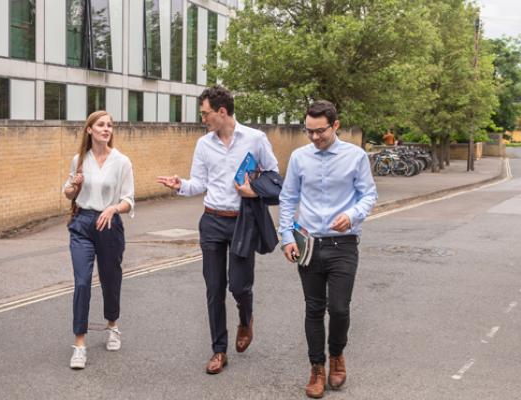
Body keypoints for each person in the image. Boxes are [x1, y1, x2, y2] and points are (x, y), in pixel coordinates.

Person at [155, 86, 279, 375]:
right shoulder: (204, 144)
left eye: (205, 113)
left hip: (242, 222)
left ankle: (246, 318)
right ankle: (219, 350)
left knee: (239, 285)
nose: (203, 119)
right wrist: (181, 186)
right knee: (214, 288)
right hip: (211, 221)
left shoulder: (255, 139)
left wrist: (252, 190)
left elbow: (274, 177)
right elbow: (199, 182)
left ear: (222, 112)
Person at [278, 101, 378, 398]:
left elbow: (368, 195)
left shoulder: (355, 156)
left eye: (319, 131)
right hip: (308, 244)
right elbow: (288, 198)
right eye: (308, 131)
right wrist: (286, 237)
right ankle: (317, 368)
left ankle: (336, 355)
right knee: (313, 308)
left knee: (339, 308)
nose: (314, 137)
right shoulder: (299, 158)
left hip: (343, 244)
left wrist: (352, 215)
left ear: (335, 125)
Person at [62, 110, 135, 369]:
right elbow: (69, 193)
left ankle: (113, 325)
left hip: (109, 225)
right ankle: (79, 344)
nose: (107, 129)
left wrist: (114, 208)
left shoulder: (122, 162)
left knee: (110, 279)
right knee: (82, 282)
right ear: (89, 129)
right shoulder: (79, 160)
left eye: (110, 126)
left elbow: (129, 199)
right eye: (101, 125)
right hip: (82, 224)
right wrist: (75, 186)